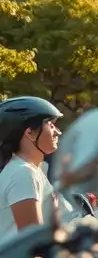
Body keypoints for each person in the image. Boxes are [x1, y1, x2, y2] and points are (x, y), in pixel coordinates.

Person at [0, 97, 62, 243]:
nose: (57, 132)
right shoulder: (23, 173)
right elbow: (33, 242)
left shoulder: (29, 169)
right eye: (50, 124)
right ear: (30, 133)